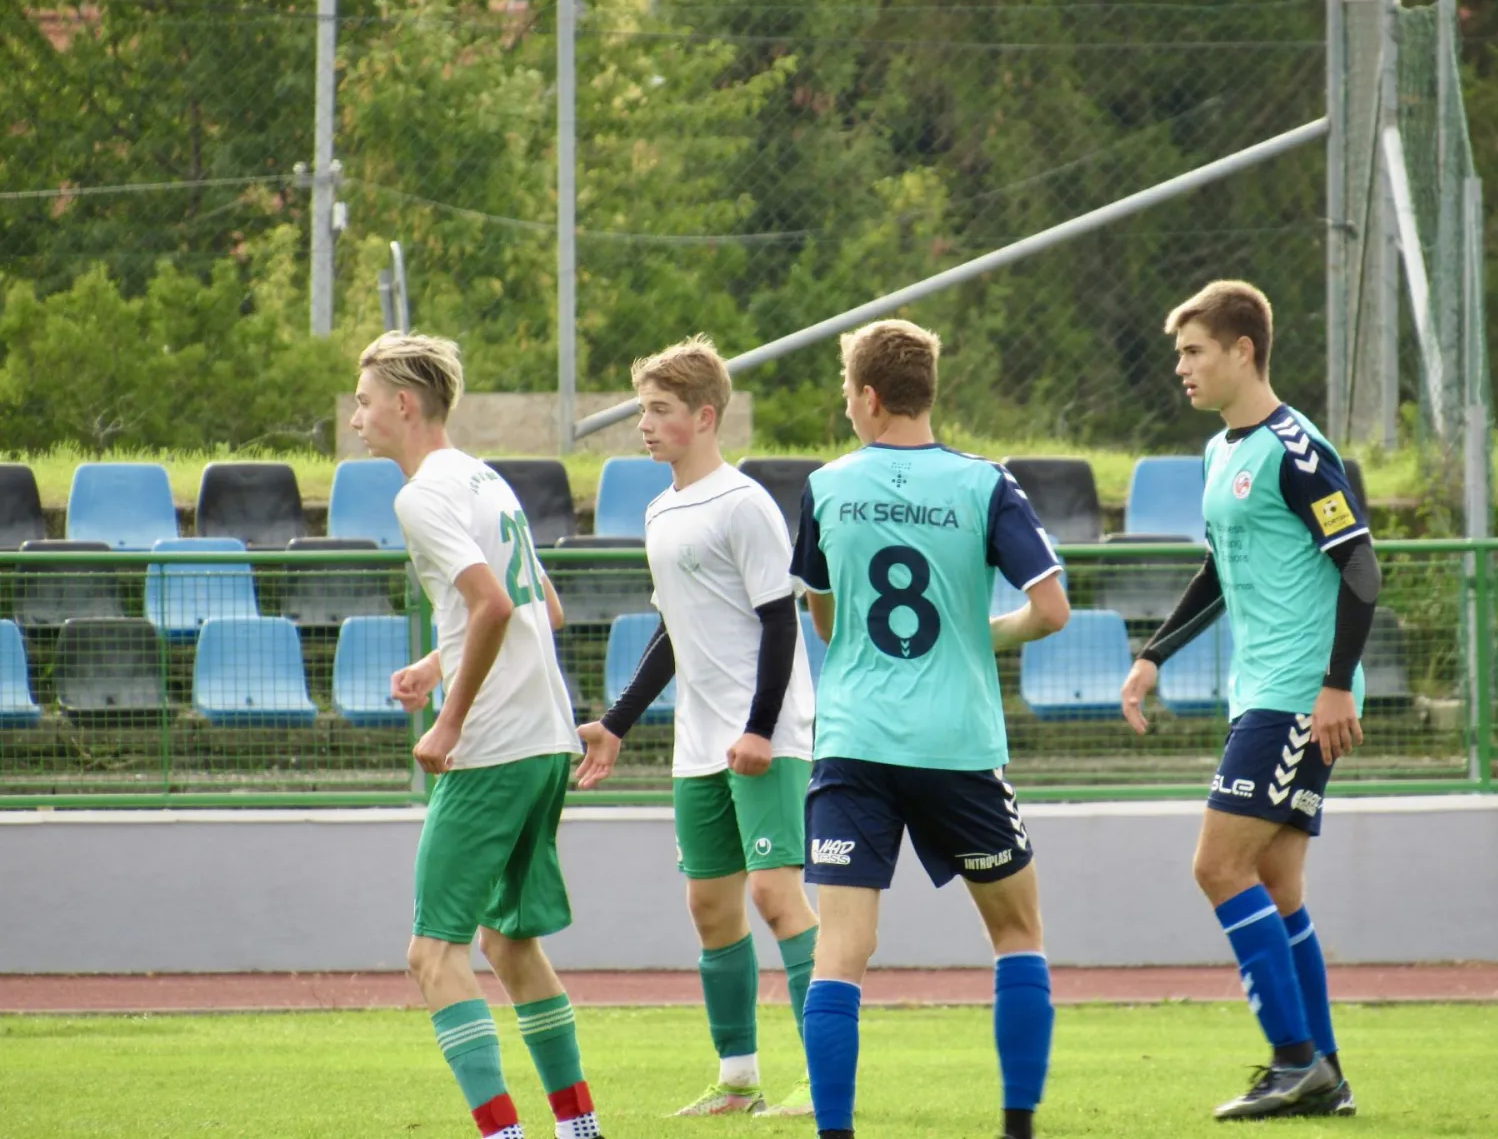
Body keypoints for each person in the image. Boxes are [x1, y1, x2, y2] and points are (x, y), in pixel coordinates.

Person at [789, 319, 1070, 1139]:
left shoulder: (826, 486)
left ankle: (835, 1134)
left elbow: (826, 619)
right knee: (1017, 932)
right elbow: (1051, 610)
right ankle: (1016, 1128)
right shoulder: (986, 484)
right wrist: (976, 635)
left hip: (855, 742)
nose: (848, 409)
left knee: (841, 952)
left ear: (871, 396)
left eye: (849, 396)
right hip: (957, 745)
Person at [1120, 280, 1378, 1120]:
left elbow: (1361, 566)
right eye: (1179, 354)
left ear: (1243, 350)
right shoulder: (1219, 453)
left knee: (1217, 866)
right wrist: (1154, 655)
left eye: (1194, 351)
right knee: (1275, 880)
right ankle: (1323, 1071)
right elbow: (1218, 570)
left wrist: (1334, 684)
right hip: (1267, 690)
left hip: (1297, 691)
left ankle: (1294, 1061)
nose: (1181, 368)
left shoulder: (1296, 450)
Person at [349, 331, 604, 1139]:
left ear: (403, 404)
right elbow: (543, 607)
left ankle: (504, 1135)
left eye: (363, 401)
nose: (355, 418)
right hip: (545, 739)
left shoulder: (421, 493)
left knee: (433, 955)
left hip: (492, 745)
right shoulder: (484, 477)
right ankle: (579, 1130)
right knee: (509, 943)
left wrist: (449, 719)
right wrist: (438, 662)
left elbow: (494, 604)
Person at [575, 336, 819, 1118]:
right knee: (710, 908)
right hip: (699, 745)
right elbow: (672, 631)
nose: (644, 424)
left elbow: (780, 622)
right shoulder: (659, 509)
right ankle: (738, 1079)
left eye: (660, 410)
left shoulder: (744, 504)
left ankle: (827, 1078)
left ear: (705, 416)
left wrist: (759, 728)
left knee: (777, 896)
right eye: (642, 409)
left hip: (765, 738)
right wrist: (616, 723)